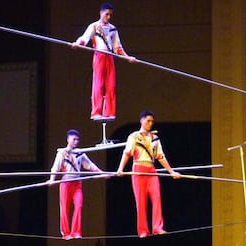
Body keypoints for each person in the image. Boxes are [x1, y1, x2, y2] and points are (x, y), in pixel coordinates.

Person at [116, 110, 181, 238]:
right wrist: (120, 169)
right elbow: (127, 153)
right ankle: (143, 230)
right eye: (148, 121)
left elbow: (160, 157)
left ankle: (157, 227)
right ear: (141, 120)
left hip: (151, 170)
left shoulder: (155, 138)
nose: (150, 124)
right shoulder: (134, 137)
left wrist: (171, 172)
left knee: (156, 198)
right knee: (141, 201)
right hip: (138, 170)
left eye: (152, 122)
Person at [73, 2, 135, 120]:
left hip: (110, 56)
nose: (109, 17)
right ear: (101, 13)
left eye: (110, 15)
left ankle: (110, 112)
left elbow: (118, 47)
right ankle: (96, 112)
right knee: (98, 84)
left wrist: (128, 58)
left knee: (111, 85)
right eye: (106, 14)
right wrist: (77, 44)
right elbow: (84, 39)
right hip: (99, 56)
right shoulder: (94, 26)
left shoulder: (113, 29)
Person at [47, 129, 103, 240]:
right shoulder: (62, 153)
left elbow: (90, 166)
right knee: (65, 208)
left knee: (79, 205)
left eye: (78, 140)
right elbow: (55, 168)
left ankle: (76, 232)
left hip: (77, 184)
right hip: (66, 183)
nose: (76, 142)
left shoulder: (80, 153)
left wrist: (102, 173)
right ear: (68, 139)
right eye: (74, 139)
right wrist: (52, 179)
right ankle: (66, 233)